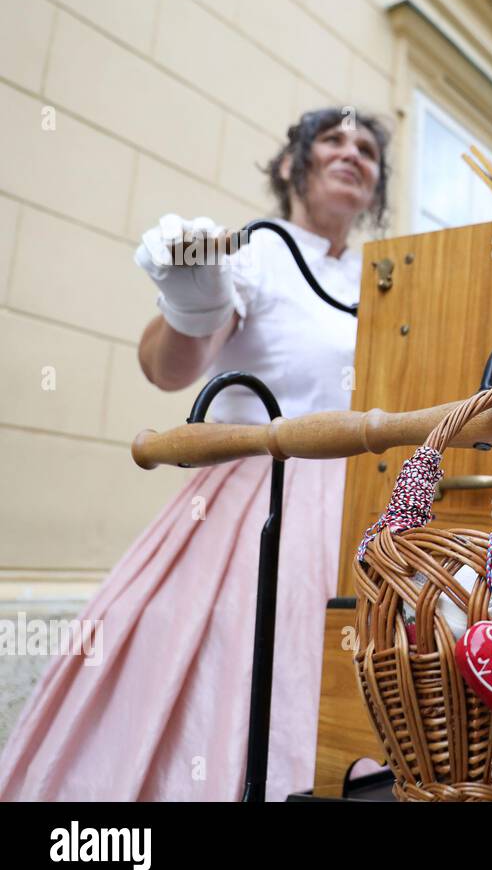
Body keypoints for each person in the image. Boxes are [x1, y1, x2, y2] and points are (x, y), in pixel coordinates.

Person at [0, 108, 391, 801]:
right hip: (253, 505)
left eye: (367, 148)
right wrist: (195, 305)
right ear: (288, 164)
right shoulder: (253, 252)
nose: (351, 153)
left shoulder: (388, 278)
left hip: (367, 510)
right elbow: (167, 368)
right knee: (230, 680)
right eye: (333, 139)